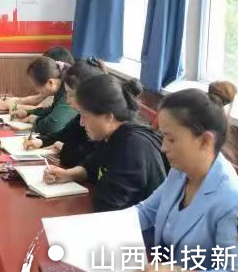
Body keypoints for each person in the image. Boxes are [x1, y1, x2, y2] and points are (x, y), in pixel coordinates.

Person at [132, 82, 238, 272]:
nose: (163, 147)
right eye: (163, 137)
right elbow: (145, 212)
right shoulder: (180, 172)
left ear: (205, 140)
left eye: (171, 139)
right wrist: (91, 226)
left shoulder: (233, 199)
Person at [42, 74, 167, 211]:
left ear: (108, 117)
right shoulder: (112, 135)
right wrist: (68, 174)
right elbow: (92, 166)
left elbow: (108, 206)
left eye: (84, 116)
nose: (81, 123)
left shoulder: (132, 147)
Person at [24, 57, 106, 168]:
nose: (67, 100)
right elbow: (64, 133)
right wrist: (41, 141)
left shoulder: (100, 124)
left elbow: (80, 160)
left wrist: (64, 148)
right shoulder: (81, 116)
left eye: (71, 94)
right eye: (67, 93)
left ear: (89, 94)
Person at [0, 46, 75, 113]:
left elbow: (41, 109)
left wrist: (10, 105)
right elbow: (38, 98)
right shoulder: (55, 86)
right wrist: (13, 101)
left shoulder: (64, 90)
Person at [10, 57, 78, 135]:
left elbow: (53, 125)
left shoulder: (68, 92)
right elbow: (52, 110)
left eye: (37, 87)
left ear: (51, 82)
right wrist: (28, 112)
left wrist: (35, 121)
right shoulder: (60, 89)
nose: (37, 90)